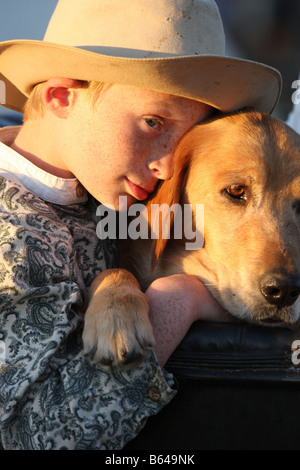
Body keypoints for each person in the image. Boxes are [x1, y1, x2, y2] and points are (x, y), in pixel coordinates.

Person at [0, 0, 281, 450]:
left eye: (187, 134)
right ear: (60, 96)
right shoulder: (12, 236)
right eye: (153, 122)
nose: (171, 165)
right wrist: (180, 300)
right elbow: (41, 440)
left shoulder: (107, 191)